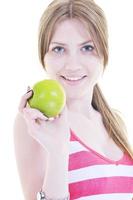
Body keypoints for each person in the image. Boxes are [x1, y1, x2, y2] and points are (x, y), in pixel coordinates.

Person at [13, 0, 133, 199]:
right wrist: (58, 151)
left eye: (87, 48)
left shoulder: (114, 122)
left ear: (104, 53)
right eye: (59, 49)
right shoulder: (35, 124)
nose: (73, 65)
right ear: (43, 57)